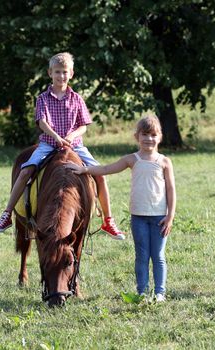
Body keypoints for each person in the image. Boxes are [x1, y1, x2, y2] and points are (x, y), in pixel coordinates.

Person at [0, 52, 125, 240]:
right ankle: (6, 214)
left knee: (100, 174)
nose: (61, 76)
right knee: (24, 171)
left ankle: (108, 220)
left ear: (71, 74)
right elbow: (42, 122)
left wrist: (71, 136)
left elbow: (83, 126)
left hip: (75, 146)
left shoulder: (77, 98)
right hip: (49, 144)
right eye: (57, 72)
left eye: (64, 72)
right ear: (50, 73)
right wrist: (56, 137)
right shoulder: (43, 98)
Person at [65, 115, 176, 302]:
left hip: (160, 217)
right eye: (145, 134)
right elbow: (107, 169)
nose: (149, 139)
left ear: (160, 137)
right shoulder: (132, 159)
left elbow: (171, 190)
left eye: (153, 135)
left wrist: (170, 216)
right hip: (138, 217)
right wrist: (85, 170)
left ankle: (159, 293)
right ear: (137, 137)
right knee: (141, 255)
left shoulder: (164, 162)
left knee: (158, 256)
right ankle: (142, 292)